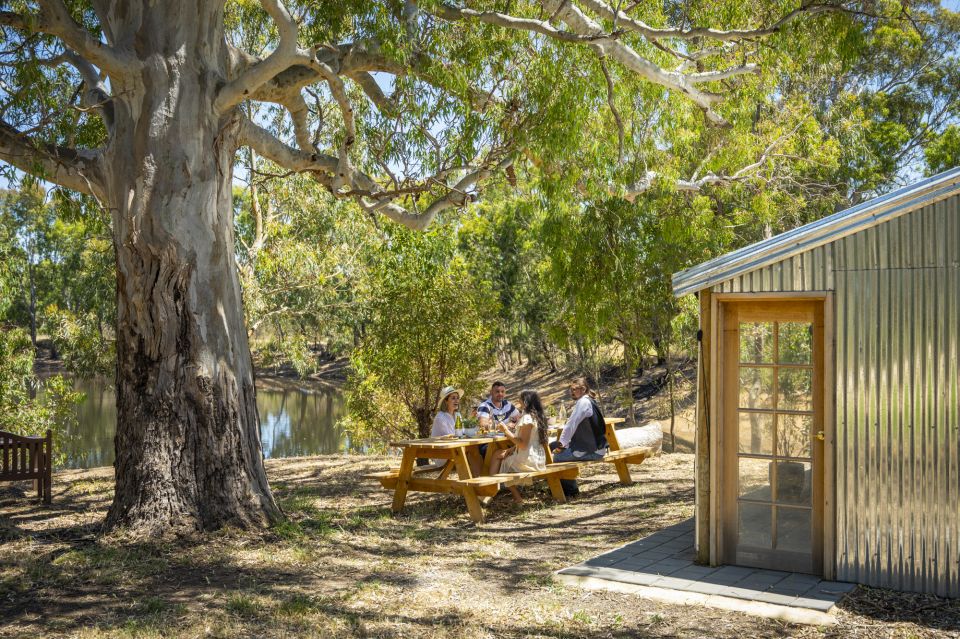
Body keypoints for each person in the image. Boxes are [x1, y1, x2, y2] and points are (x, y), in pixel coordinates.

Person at [550, 377, 609, 496]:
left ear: (583, 389)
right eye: (570, 389)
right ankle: (569, 489)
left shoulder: (583, 402)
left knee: (557, 457)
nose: (571, 392)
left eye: (574, 389)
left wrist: (561, 446)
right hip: (598, 448)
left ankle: (570, 491)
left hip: (592, 451)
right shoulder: (589, 400)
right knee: (556, 449)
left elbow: (570, 425)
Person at [489, 389, 548, 503]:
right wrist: (511, 450)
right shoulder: (538, 417)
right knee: (499, 454)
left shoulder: (527, 419)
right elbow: (529, 442)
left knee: (500, 460)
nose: (518, 401)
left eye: (520, 399)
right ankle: (513, 496)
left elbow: (522, 444)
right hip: (538, 458)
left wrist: (506, 430)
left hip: (528, 460)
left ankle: (491, 491)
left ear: (525, 402)